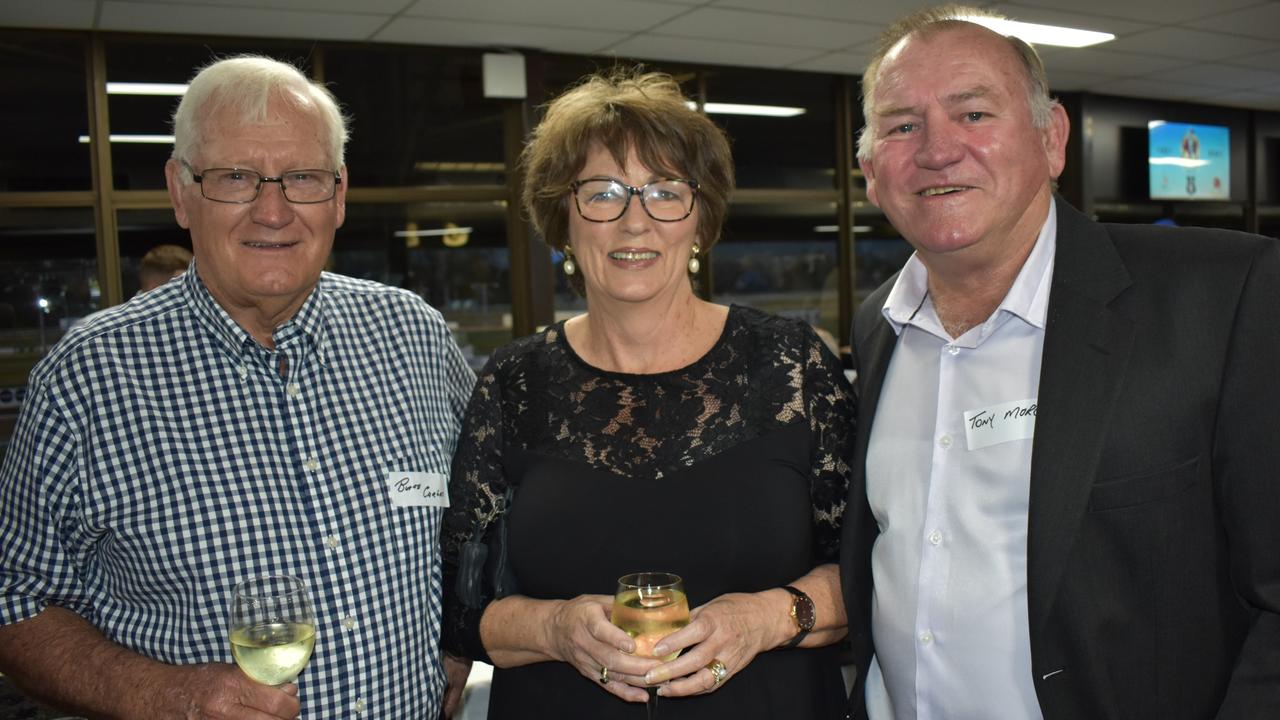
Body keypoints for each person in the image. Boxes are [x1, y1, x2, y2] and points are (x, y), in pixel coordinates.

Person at [0, 55, 476, 719]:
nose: (273, 211)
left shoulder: (414, 339)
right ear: (180, 190)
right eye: (236, 177)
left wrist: (458, 639)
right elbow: (15, 595)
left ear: (338, 194)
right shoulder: (88, 376)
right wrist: (163, 695)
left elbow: (478, 515)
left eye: (301, 177)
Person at [840, 6, 1280, 720]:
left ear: (1051, 140)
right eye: (900, 125)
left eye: (974, 113)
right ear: (869, 171)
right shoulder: (878, 327)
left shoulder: (1221, 299)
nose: (937, 150)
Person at [440, 69, 854, 719]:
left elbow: (871, 571)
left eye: (664, 191)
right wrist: (553, 629)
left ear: (700, 217)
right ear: (564, 219)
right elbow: (461, 609)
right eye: (603, 193)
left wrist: (767, 617)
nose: (635, 222)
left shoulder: (792, 366)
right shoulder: (512, 383)